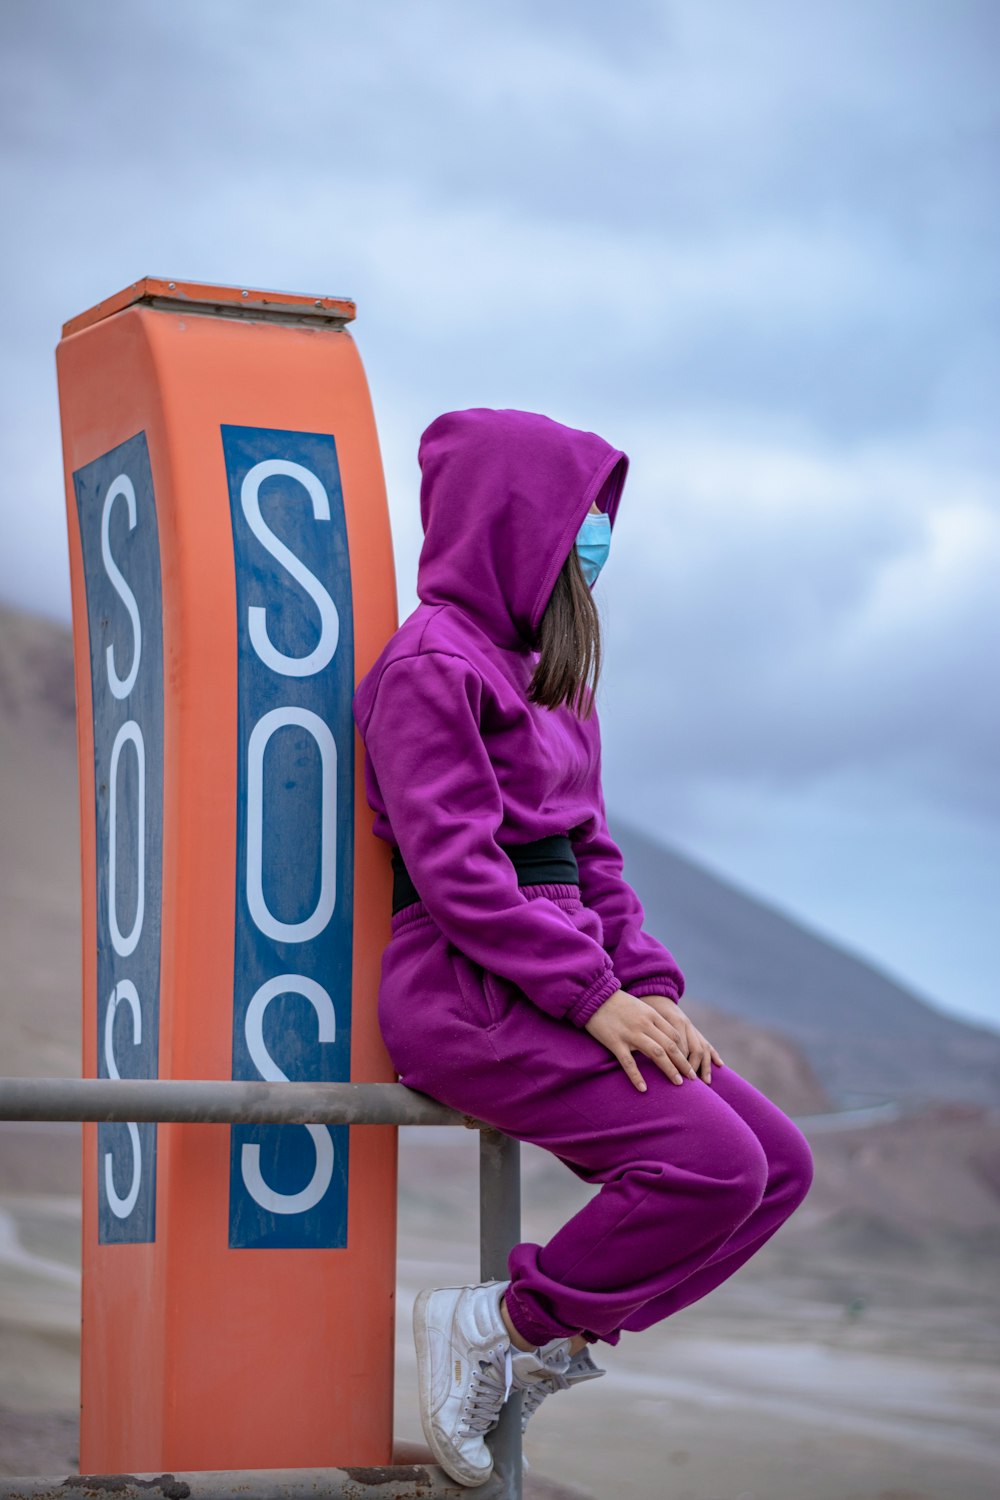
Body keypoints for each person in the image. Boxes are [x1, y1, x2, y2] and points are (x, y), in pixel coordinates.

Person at [351, 407, 815, 1488]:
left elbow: (591, 856)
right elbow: (460, 874)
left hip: (561, 985)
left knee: (776, 1168)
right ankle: (504, 1323)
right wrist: (596, 998)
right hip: (466, 992)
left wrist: (648, 988)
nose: (594, 543)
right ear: (513, 521)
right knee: (711, 1163)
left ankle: (546, 1341)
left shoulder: (550, 676)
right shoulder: (432, 667)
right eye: (578, 520)